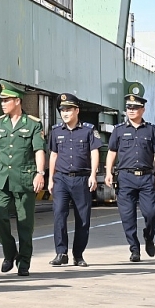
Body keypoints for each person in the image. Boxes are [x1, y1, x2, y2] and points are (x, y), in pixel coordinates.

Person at [0, 80, 46, 277]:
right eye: (2, 100)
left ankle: (24, 261)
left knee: (25, 222)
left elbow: (39, 150)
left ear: (17, 101)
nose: (3, 103)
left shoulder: (34, 124)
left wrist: (40, 173)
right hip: (1, 178)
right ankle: (10, 253)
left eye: (7, 100)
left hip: (24, 177)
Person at [104, 93, 155, 262]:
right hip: (125, 178)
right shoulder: (118, 130)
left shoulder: (151, 130)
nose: (131, 111)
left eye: (135, 108)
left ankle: (149, 234)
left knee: (152, 213)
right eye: (129, 108)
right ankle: (134, 249)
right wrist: (108, 172)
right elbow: (111, 152)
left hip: (146, 178)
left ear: (142, 110)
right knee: (127, 217)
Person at [47, 93, 101, 267]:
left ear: (77, 110)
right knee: (59, 215)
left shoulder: (88, 130)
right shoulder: (56, 131)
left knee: (83, 219)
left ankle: (78, 255)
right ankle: (61, 253)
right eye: (62, 110)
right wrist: (50, 179)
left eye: (68, 109)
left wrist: (93, 175)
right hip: (61, 179)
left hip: (81, 179)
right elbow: (53, 155)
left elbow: (94, 153)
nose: (65, 113)